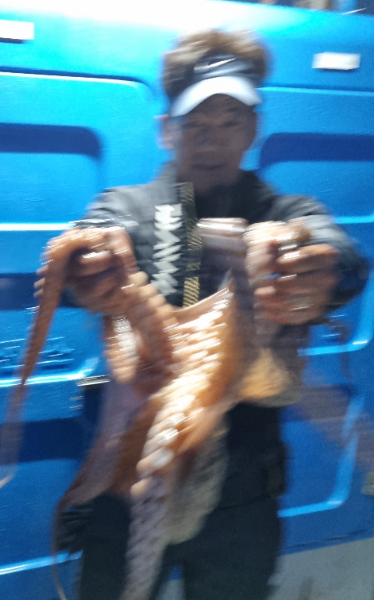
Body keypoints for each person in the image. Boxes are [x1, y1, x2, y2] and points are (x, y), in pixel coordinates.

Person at [63, 30, 369, 600]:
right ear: (166, 129)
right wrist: (86, 270)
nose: (212, 139)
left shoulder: (286, 213)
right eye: (195, 122)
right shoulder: (125, 208)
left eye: (230, 121)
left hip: (242, 497)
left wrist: (324, 274)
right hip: (131, 480)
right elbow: (89, 241)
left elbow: (339, 254)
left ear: (254, 128)